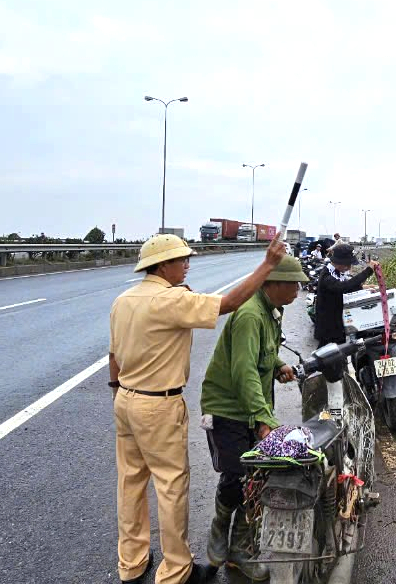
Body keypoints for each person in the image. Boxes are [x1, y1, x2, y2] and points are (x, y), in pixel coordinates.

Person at [108, 234, 285, 584]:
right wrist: (267, 265)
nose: (187, 264)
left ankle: (132, 562)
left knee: (130, 484)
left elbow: (113, 355)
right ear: (162, 265)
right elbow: (229, 302)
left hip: (125, 398)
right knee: (171, 487)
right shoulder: (171, 300)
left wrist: (117, 393)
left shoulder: (123, 300)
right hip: (158, 404)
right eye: (181, 259)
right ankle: (176, 571)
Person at [199, 254, 307, 580]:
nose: (298, 289)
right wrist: (263, 419)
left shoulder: (271, 311)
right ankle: (220, 530)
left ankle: (240, 549)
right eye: (294, 284)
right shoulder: (249, 314)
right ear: (274, 283)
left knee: (257, 477)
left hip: (251, 406)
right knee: (236, 476)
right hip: (228, 409)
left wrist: (278, 366)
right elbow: (244, 371)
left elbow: (264, 352)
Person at [314, 244, 379, 350]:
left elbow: (346, 287)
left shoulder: (336, 273)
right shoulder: (327, 276)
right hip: (328, 328)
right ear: (339, 262)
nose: (349, 268)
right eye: (347, 264)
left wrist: (365, 288)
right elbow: (343, 287)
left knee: (337, 355)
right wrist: (368, 271)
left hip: (337, 325)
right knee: (326, 356)